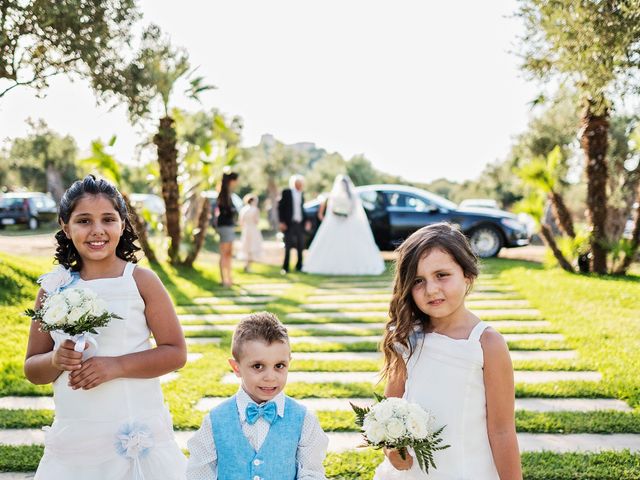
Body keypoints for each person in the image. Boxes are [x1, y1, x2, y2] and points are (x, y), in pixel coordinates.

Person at [24, 175, 187, 479]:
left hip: (133, 431)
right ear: (65, 226)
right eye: (84, 220)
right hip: (77, 438)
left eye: (108, 219)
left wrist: (116, 366)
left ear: (123, 224)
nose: (97, 230)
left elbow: (175, 352)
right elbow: (33, 369)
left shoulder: (140, 281)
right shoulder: (52, 288)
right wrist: (55, 360)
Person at [374, 223, 522, 480]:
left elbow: (502, 431)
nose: (431, 289)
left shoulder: (487, 344)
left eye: (442, 275)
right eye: (418, 281)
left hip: (466, 470)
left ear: (467, 275)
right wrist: (391, 449)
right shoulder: (406, 337)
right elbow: (391, 409)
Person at [186, 312, 328, 479]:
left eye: (279, 366)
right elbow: (199, 474)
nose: (270, 377)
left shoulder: (304, 420)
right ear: (236, 368)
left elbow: (312, 473)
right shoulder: (215, 421)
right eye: (258, 366)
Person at [303, 174, 385, 275]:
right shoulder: (334, 196)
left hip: (349, 222)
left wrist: (347, 214)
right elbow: (330, 210)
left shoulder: (353, 196)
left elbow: (354, 209)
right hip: (335, 222)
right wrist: (336, 214)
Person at [278, 174, 310, 274]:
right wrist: (282, 222)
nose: (300, 186)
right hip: (289, 223)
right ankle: (285, 267)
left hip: (299, 223)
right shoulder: (286, 192)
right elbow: (280, 208)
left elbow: (302, 209)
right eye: (299, 184)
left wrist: (307, 221)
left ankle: (299, 266)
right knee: (288, 246)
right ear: (294, 183)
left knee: (301, 246)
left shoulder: (302, 194)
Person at [215, 169, 239, 287]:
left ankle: (229, 278)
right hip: (224, 226)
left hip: (229, 225)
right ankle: (224, 279)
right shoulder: (224, 193)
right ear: (232, 181)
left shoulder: (228, 193)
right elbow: (226, 210)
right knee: (224, 253)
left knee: (229, 253)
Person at [238, 193, 264, 273]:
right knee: (252, 247)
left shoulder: (243, 209)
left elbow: (240, 222)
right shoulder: (255, 209)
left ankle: (246, 265)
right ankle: (248, 266)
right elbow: (256, 221)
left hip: (246, 230)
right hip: (253, 229)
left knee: (247, 247)